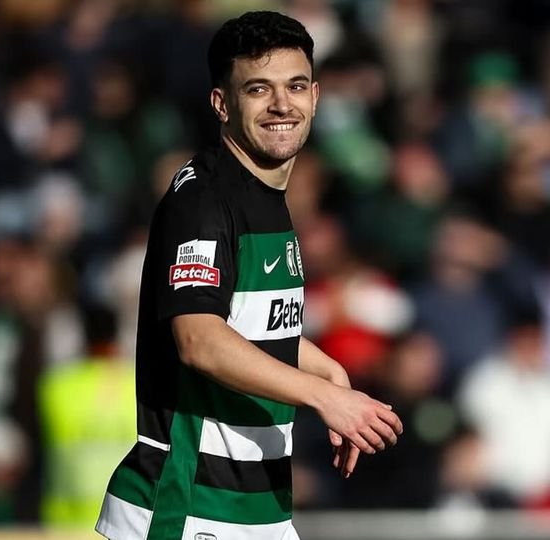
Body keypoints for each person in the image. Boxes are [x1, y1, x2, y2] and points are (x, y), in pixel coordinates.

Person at [96, 11, 403, 540]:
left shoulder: (264, 195)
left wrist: (328, 370)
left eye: (296, 86)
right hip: (191, 506)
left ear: (316, 97)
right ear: (222, 103)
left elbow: (248, 324)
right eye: (259, 89)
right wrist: (323, 396)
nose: (282, 104)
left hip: (257, 507)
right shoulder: (203, 202)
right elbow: (200, 340)